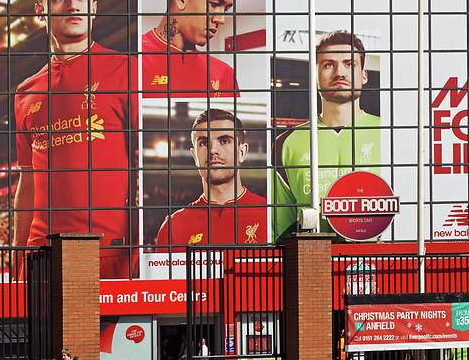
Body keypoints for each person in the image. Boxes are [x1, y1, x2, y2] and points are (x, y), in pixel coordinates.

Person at [13, 0, 137, 280]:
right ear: (41, 12)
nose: (73, 5)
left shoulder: (126, 71)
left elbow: (144, 166)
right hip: (41, 257)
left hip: (109, 255)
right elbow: (27, 183)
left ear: (94, 8)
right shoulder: (26, 93)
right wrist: (17, 258)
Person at [273, 31, 381, 239]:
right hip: (312, 261)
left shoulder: (389, 134)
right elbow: (280, 225)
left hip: (377, 262)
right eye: (329, 65)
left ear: (364, 75)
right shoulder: (286, 142)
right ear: (316, 76)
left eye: (349, 64)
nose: (340, 73)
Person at [155, 109, 267, 246]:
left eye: (224, 141)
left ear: (242, 152)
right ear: (195, 156)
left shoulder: (270, 215)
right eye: (203, 143)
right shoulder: (173, 227)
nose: (213, 150)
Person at [141, 0, 238, 97]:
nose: (221, 19)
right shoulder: (131, 60)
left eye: (226, 9)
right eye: (214, 4)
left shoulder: (224, 74)